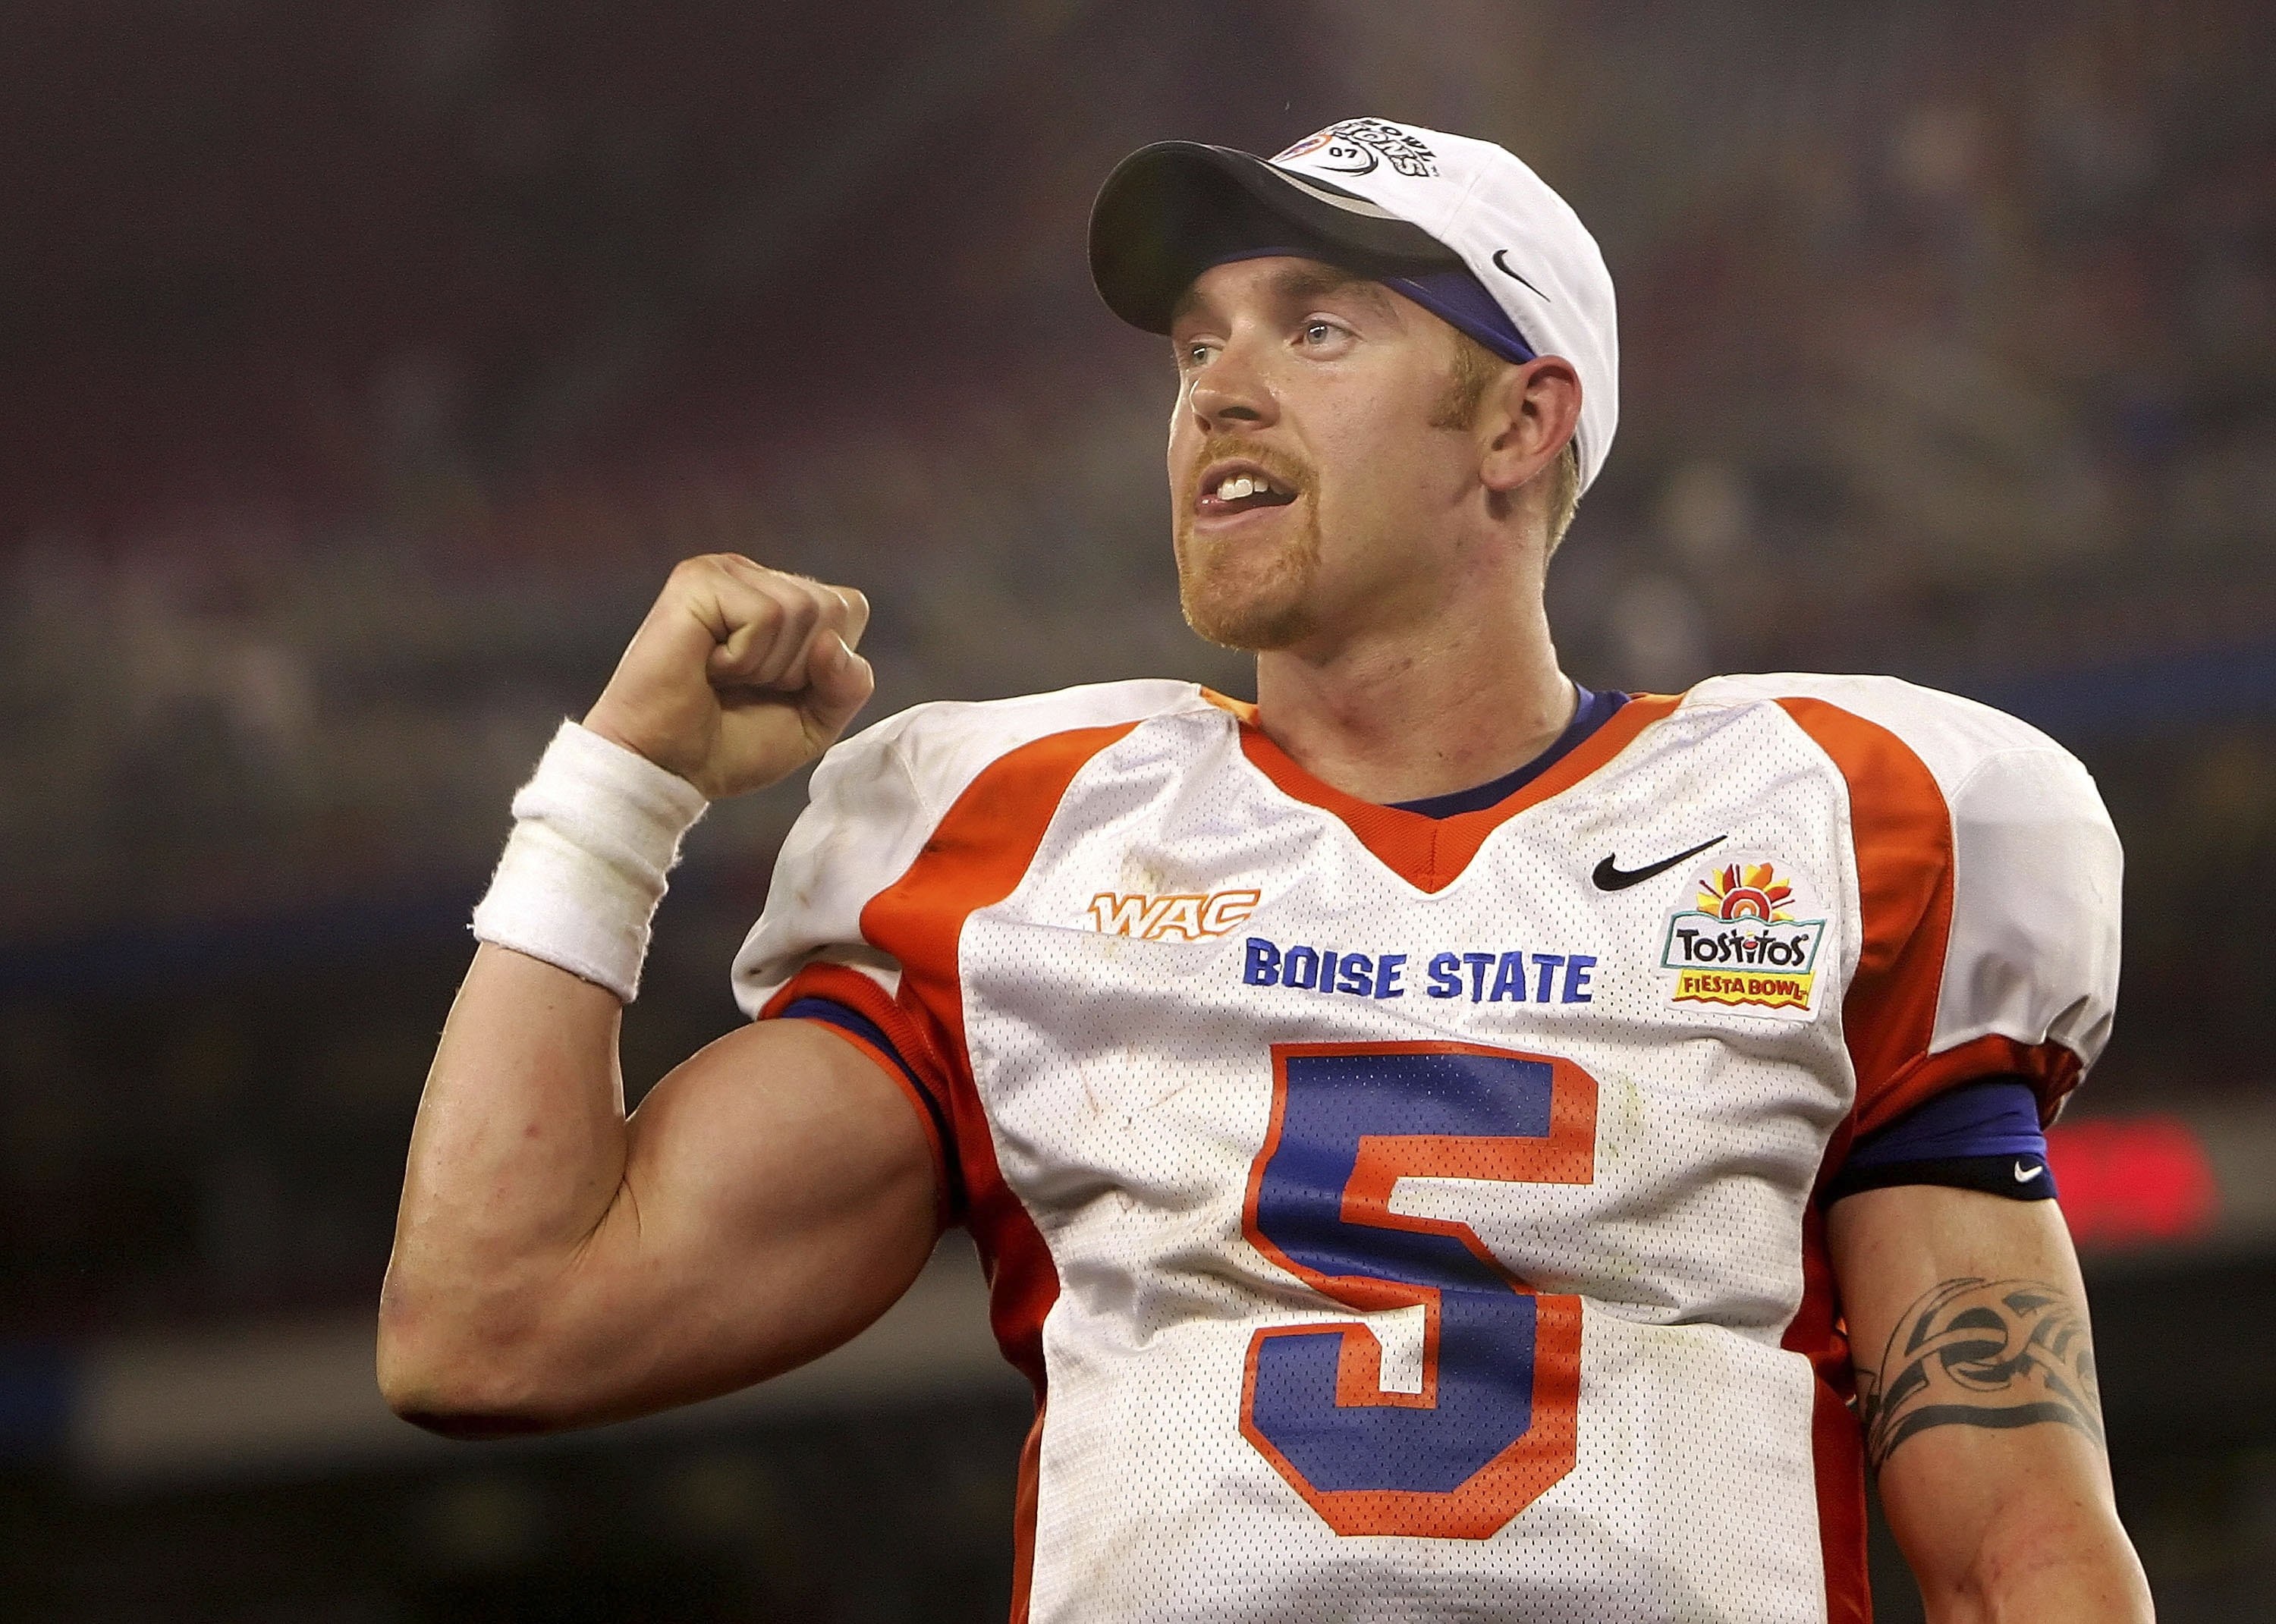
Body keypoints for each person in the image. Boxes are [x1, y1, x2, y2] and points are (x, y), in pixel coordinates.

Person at [379, 118, 2153, 1622]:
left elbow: (2020, 1552)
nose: (1217, 383)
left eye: (1316, 328)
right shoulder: (1025, 841)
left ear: (1521, 425)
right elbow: (491, 1324)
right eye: (1194, 343)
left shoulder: (1837, 821)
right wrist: (618, 792)